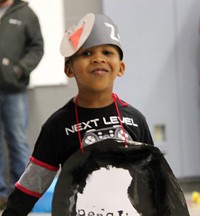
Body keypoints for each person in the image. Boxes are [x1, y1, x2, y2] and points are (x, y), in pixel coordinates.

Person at [1, 12, 166, 215]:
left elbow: (155, 179)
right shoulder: (58, 126)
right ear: (69, 69)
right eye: (87, 54)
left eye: (107, 52)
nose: (98, 59)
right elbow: (32, 184)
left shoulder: (135, 120)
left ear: (120, 68)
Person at [0, 0, 44, 210]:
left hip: (14, 90)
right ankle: (0, 195)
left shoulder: (26, 13)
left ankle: (22, 196)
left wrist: (20, 69)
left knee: (17, 140)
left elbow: (37, 47)